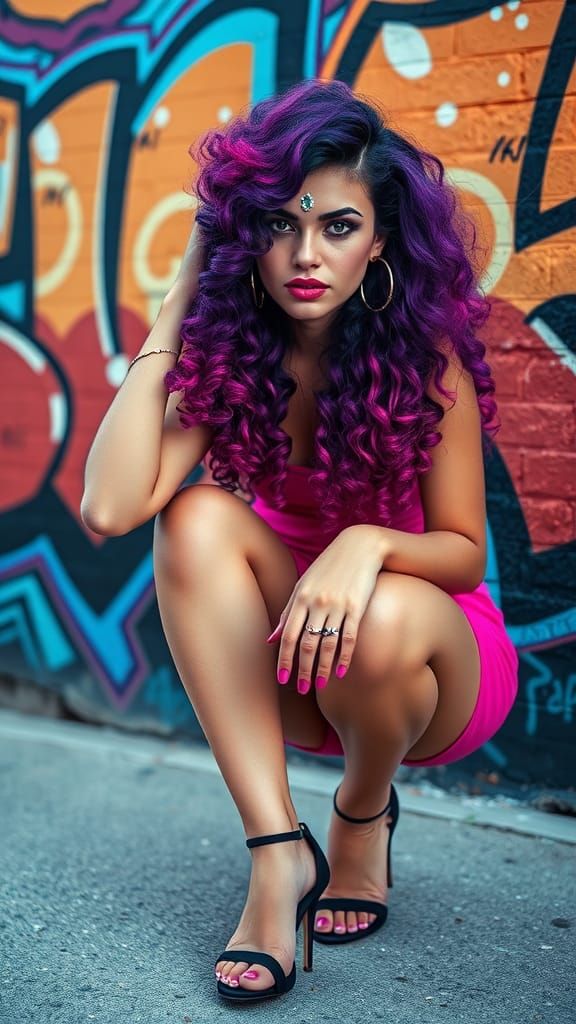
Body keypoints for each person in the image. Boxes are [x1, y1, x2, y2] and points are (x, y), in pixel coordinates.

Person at [81, 79, 519, 1005]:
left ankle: (362, 811)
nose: (306, 254)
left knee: (387, 605)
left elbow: (467, 553)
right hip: (294, 655)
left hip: (431, 666)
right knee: (192, 514)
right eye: (280, 224)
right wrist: (177, 308)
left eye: (338, 227)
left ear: (383, 240)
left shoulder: (425, 358)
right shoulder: (234, 353)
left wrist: (363, 544)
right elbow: (110, 508)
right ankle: (279, 851)